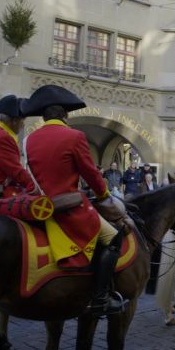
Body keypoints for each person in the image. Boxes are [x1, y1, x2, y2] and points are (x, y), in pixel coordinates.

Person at [22, 84, 125, 317]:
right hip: (68, 210)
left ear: (44, 117)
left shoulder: (28, 140)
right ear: (64, 115)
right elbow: (91, 174)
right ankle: (100, 299)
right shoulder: (74, 136)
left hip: (38, 207)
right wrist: (104, 196)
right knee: (114, 238)